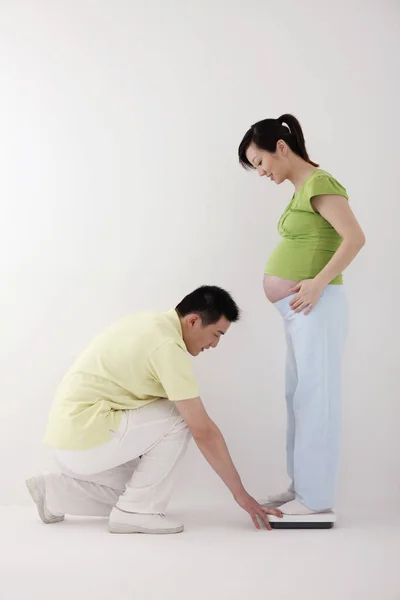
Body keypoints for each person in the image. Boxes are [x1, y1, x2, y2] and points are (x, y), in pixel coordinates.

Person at [27, 285, 282, 533]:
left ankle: (53, 493)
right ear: (193, 321)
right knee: (182, 418)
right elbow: (203, 431)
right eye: (217, 334)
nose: (214, 344)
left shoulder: (149, 323)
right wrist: (242, 496)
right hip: (87, 437)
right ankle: (136, 513)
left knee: (137, 490)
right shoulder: (167, 347)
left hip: (72, 440)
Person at [238, 115, 365, 516]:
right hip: (300, 311)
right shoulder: (300, 189)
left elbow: (355, 237)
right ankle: (301, 488)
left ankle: (316, 501)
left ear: (280, 147)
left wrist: (318, 282)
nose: (261, 172)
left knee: (316, 400)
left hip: (317, 306)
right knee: (298, 397)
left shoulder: (318, 182)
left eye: (259, 162)